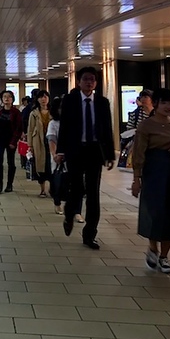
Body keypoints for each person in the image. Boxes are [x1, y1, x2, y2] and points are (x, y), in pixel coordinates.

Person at [131, 88, 170, 274]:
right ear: (155, 104)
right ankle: (153, 248)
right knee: (155, 213)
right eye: (164, 102)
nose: (168, 106)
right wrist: (136, 179)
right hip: (154, 174)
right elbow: (139, 152)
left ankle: (164, 256)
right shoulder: (146, 126)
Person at [56, 66, 115, 250]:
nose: (89, 82)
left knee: (93, 193)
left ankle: (90, 234)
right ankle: (69, 214)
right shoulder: (70, 100)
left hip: (94, 151)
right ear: (79, 82)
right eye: (86, 79)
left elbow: (107, 128)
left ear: (95, 83)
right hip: (75, 150)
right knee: (76, 188)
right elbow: (64, 127)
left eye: (92, 79)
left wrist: (110, 154)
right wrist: (60, 151)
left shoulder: (102, 102)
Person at [0, 90, 23, 193]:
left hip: (11, 139)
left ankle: (9, 184)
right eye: (4, 96)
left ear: (12, 99)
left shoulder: (16, 112)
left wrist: (14, 141)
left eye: (9, 97)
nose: (6, 98)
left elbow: (19, 128)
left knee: (11, 162)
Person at [28, 90, 53, 198]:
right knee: (40, 166)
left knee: (51, 166)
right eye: (41, 97)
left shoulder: (53, 112)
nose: (43, 99)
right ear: (37, 99)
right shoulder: (34, 113)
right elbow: (30, 129)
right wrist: (30, 145)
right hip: (38, 142)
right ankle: (42, 190)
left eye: (45, 97)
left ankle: (52, 188)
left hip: (51, 142)